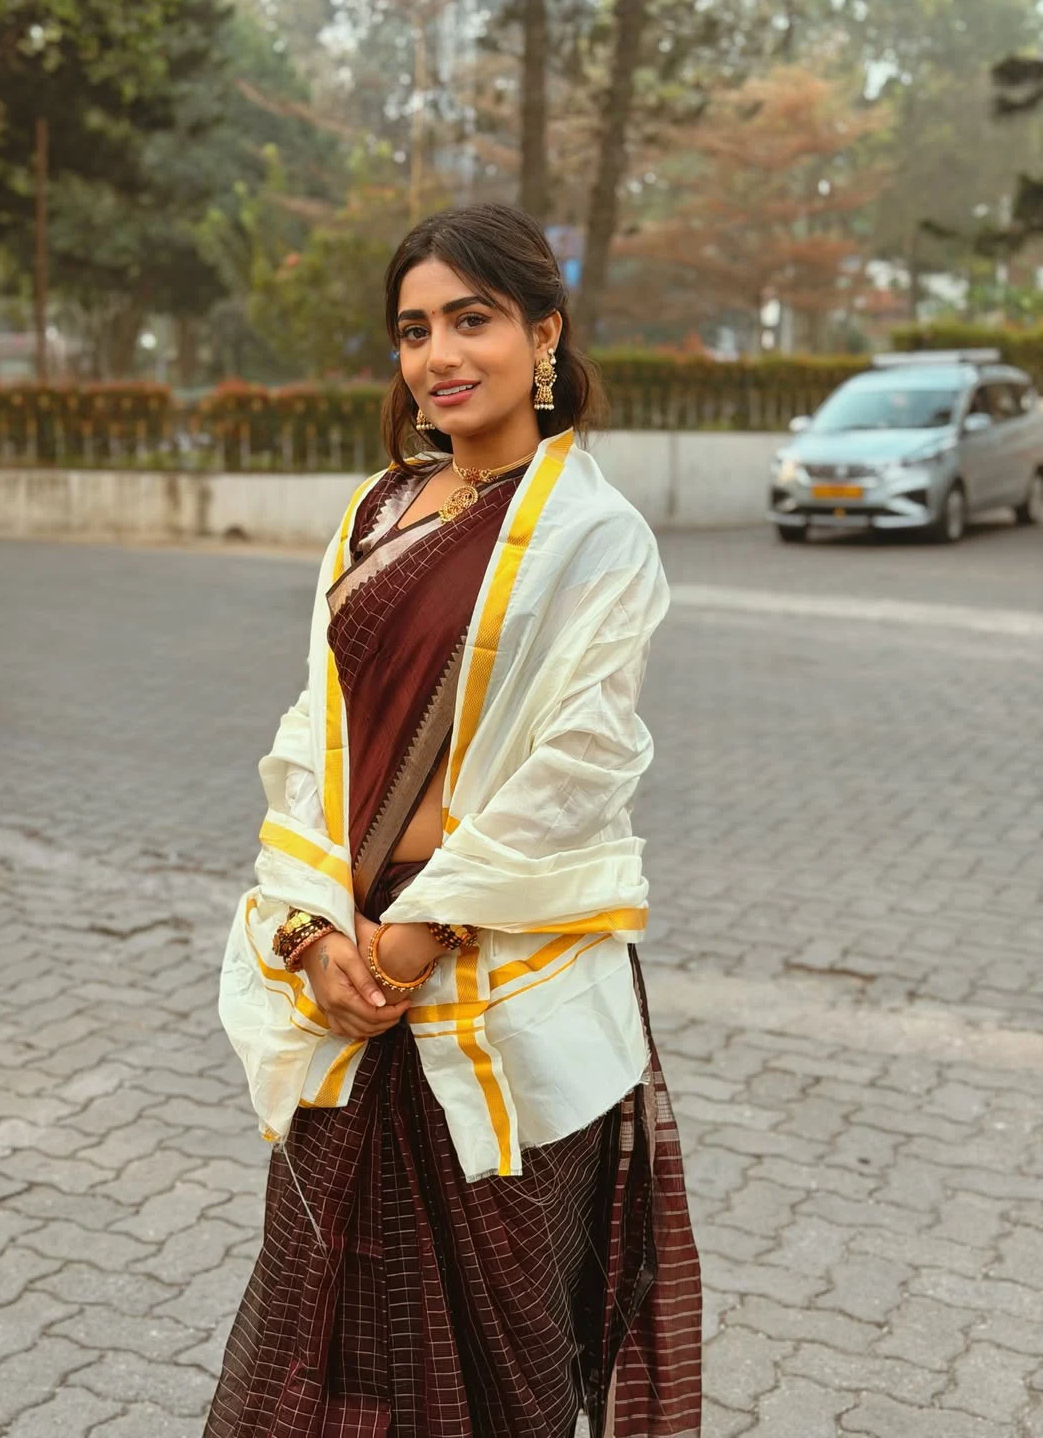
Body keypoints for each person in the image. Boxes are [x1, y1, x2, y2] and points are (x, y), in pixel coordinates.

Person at [207, 202, 702, 1438]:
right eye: (414, 329)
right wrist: (311, 929)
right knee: (323, 1333)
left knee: (501, 1353)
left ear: (545, 332)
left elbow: (580, 763)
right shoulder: (377, 513)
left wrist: (422, 930)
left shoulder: (594, 534)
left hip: (491, 963)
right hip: (352, 960)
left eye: (471, 320)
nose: (439, 356)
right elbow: (312, 735)